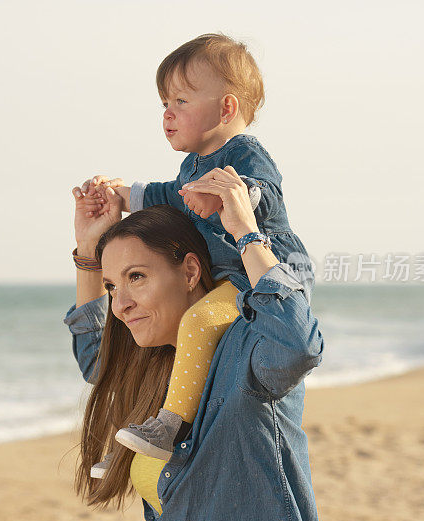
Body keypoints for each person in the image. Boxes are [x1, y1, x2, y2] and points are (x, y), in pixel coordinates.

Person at [79, 33, 315, 463]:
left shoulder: (245, 153)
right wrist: (124, 194)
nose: (167, 115)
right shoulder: (193, 165)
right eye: (163, 104)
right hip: (230, 276)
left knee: (199, 322)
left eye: (181, 103)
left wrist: (232, 196)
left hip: (264, 273)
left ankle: (169, 424)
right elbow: (172, 192)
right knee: (180, 336)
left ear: (227, 108)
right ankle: (137, 437)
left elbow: (267, 195)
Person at [63, 168, 324, 521]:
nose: (120, 304)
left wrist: (247, 234)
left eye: (136, 277)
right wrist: (88, 253)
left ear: (189, 273)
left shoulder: (249, 350)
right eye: (111, 286)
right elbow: (97, 362)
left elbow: (300, 346)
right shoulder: (159, 365)